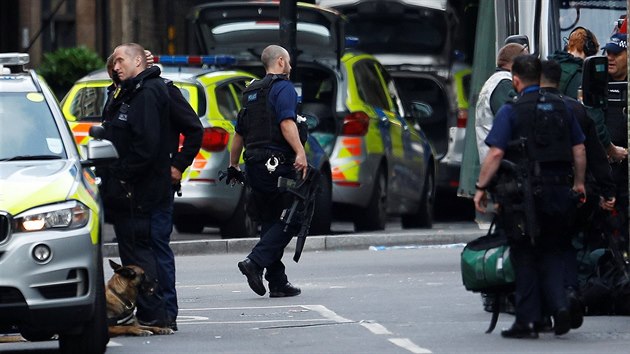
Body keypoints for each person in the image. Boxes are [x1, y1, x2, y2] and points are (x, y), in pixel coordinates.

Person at [474, 55, 586, 339]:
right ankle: (557, 308)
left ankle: (528, 322)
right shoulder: (563, 106)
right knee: (552, 249)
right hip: (560, 191)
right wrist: (579, 183)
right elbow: (579, 149)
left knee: (524, 254)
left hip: (525, 196)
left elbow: (496, 153)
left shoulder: (512, 110)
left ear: (516, 80)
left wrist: (481, 187)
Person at [540, 59, 615, 329]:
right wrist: (607, 190)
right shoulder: (576, 109)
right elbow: (593, 153)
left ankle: (551, 303)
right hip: (575, 190)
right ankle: (570, 291)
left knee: (543, 248)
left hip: (536, 191)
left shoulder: (524, 108)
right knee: (568, 244)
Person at [100, 42, 171, 327]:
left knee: (141, 255)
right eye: (113, 63)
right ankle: (153, 315)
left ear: (138, 61)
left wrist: (120, 173)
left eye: (120, 61)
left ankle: (156, 316)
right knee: (135, 251)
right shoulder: (128, 92)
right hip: (127, 191)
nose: (115, 67)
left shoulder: (147, 93)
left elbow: (146, 146)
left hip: (137, 191)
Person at [227, 44, 307, 297]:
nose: (291, 67)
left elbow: (239, 133)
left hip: (254, 165)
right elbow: (286, 122)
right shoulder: (283, 89)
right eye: (290, 62)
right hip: (277, 164)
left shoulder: (251, 92)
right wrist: (300, 152)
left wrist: (233, 164)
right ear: (281, 61)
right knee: (292, 217)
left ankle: (277, 281)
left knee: (272, 220)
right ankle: (255, 262)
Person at [475, 42, 526, 162]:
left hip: (494, 162)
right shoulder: (504, 84)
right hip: (503, 164)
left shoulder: (495, 82)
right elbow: (517, 120)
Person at [602, 30, 629, 251]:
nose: (610, 57)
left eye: (617, 53)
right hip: (607, 173)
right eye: (608, 52)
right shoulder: (597, 85)